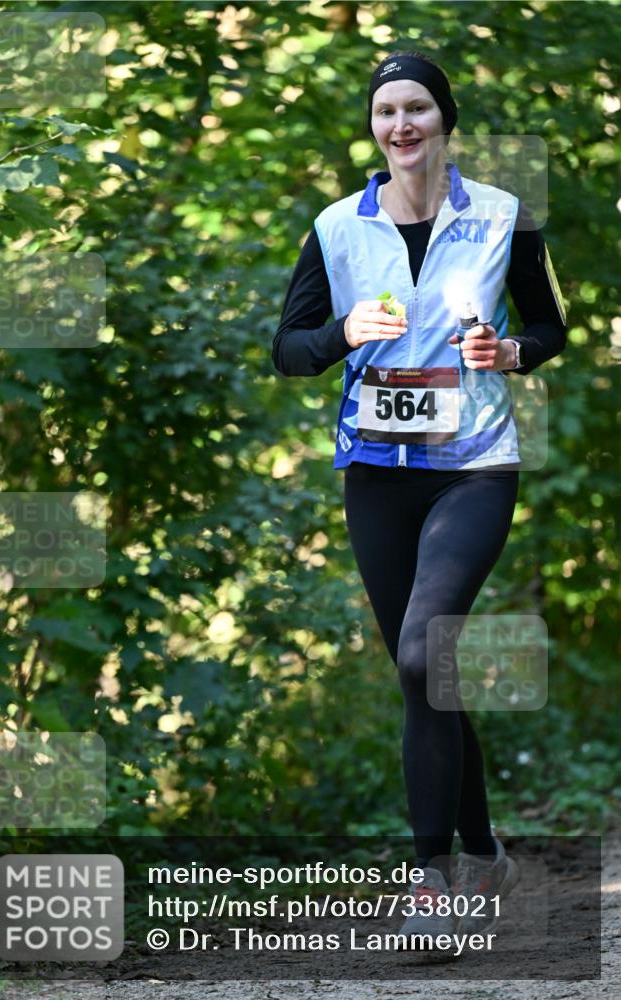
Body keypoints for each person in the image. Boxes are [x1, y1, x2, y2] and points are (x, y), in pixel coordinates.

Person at [272, 49, 568, 950]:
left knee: (420, 652)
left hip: (473, 464)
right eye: (384, 112)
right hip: (375, 470)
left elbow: (549, 325)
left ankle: (432, 884)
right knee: (423, 673)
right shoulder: (335, 226)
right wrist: (339, 333)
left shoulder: (503, 216)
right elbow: (286, 347)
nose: (399, 125)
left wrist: (512, 354)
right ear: (374, 128)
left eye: (416, 110)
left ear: (444, 121)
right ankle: (484, 852)